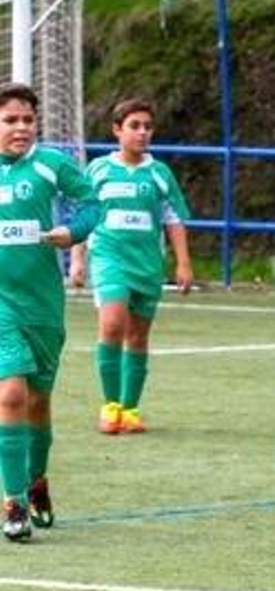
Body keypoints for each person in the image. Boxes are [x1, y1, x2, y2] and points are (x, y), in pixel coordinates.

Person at [0, 81, 100, 542]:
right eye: (10, 120)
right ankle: (14, 501)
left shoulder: (51, 164)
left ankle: (37, 478)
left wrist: (72, 232)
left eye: (26, 119)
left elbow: (92, 204)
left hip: (41, 303)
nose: (20, 127)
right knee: (11, 395)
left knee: (38, 402)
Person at [68, 97, 194, 436]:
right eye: (134, 126)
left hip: (148, 265)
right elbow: (85, 215)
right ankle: (110, 407)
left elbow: (174, 220)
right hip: (109, 258)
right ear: (117, 130)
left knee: (138, 336)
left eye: (147, 127)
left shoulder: (159, 173)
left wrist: (183, 263)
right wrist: (78, 259)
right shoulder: (98, 170)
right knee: (112, 324)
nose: (141, 133)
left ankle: (130, 409)